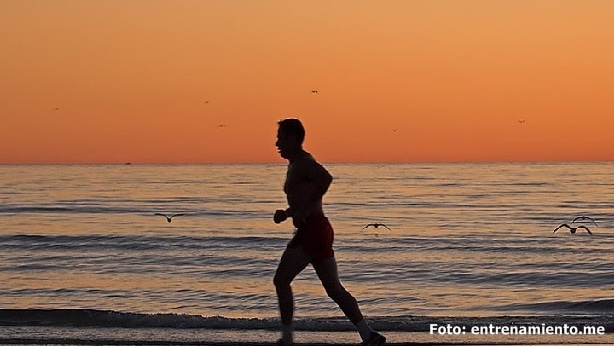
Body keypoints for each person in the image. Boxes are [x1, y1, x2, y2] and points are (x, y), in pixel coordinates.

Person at [273, 118, 386, 346]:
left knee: (281, 280)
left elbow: (326, 179)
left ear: (294, 139)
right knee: (334, 289)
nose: (277, 143)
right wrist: (287, 213)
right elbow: (305, 197)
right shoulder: (295, 164)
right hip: (318, 229)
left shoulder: (304, 162)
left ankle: (287, 339)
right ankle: (368, 334)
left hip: (313, 230)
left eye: (281, 138)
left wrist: (305, 208)